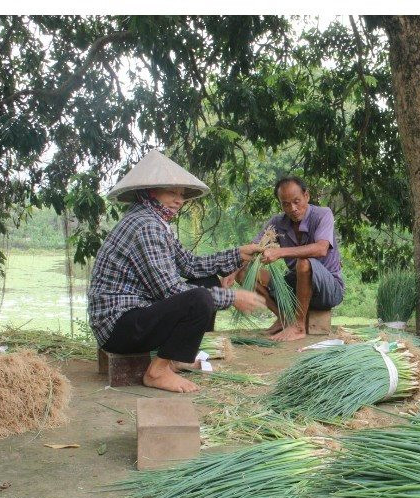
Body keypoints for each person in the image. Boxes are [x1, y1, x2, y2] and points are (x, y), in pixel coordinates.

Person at [85, 150, 270, 394]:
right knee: (201, 298)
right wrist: (232, 298)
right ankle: (158, 371)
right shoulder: (146, 226)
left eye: (181, 195)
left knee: (205, 282)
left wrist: (237, 254)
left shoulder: (156, 222)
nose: (179, 200)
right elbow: (170, 290)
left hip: (137, 316)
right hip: (119, 326)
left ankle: (176, 357)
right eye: (171, 192)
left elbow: (190, 265)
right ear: (150, 192)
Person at [247, 176, 345, 342]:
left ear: (306, 196)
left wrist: (280, 252)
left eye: (296, 201)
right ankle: (284, 318)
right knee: (245, 270)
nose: (292, 208)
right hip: (295, 286)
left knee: (304, 262)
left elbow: (321, 249)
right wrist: (231, 272)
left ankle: (298, 327)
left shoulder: (323, 214)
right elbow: (253, 247)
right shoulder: (277, 223)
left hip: (328, 290)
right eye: (285, 204)